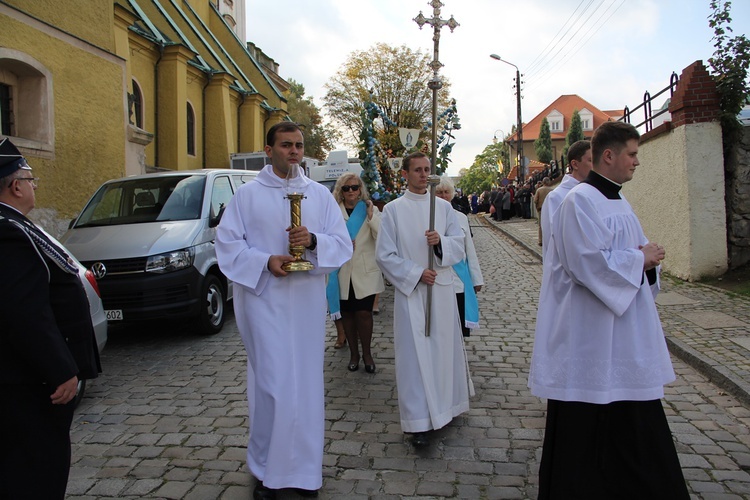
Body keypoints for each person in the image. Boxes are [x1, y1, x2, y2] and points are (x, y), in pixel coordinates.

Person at [528, 122, 688, 498]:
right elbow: (587, 265)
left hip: (624, 331)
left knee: (631, 416)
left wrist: (649, 260)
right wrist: (639, 258)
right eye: (632, 154)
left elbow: (631, 253)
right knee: (588, 421)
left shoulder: (617, 200)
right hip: (590, 333)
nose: (637, 162)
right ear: (609, 156)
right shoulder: (578, 201)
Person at [215, 122, 352, 499]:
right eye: (286, 145)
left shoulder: (320, 197)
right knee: (272, 385)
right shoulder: (247, 196)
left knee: (305, 387)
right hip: (264, 303)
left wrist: (312, 241)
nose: (294, 152)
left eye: (299, 146)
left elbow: (342, 245)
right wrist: (264, 262)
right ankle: (267, 470)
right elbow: (227, 246)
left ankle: (305, 473)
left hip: (306, 304)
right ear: (268, 148)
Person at [0, 138, 101, 499]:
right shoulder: (8, 232)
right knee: (37, 464)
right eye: (30, 178)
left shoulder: (15, 225)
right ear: (15, 185)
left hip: (21, 375)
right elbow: (24, 311)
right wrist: (60, 369)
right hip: (27, 381)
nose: (33, 185)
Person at [375, 152, 473, 448]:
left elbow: (460, 245)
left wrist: (440, 243)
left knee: (443, 351)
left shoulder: (443, 208)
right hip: (413, 293)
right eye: (417, 170)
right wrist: (417, 273)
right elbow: (385, 255)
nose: (423, 174)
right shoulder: (393, 211)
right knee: (415, 358)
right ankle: (418, 422)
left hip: (441, 291)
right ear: (404, 174)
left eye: (427, 169)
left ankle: (448, 406)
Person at [327, 173, 384, 373]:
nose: (351, 191)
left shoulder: (370, 208)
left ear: (360, 189)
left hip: (365, 271)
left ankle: (367, 353)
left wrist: (370, 217)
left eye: (354, 187)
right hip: (341, 273)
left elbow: (382, 236)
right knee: (348, 315)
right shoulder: (333, 212)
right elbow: (325, 239)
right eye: (346, 188)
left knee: (364, 314)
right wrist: (339, 244)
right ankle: (354, 354)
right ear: (340, 191)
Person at [435, 177, 484, 337]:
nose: (443, 196)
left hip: (460, 280)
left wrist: (476, 279)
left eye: (446, 192)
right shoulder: (428, 217)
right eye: (439, 193)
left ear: (452, 194)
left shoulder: (461, 217)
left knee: (459, 329)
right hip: (438, 278)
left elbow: (469, 250)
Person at [539, 140, 592, 253]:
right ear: (575, 164)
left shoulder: (596, 192)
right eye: (591, 160)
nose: (595, 166)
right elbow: (553, 242)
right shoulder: (556, 197)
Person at [532, 177, 554, 246]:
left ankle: (540, 240)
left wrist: (537, 207)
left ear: (543, 182)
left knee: (541, 225)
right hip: (550, 209)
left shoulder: (539, 190)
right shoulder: (552, 190)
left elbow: (535, 200)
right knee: (550, 224)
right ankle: (550, 240)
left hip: (541, 209)